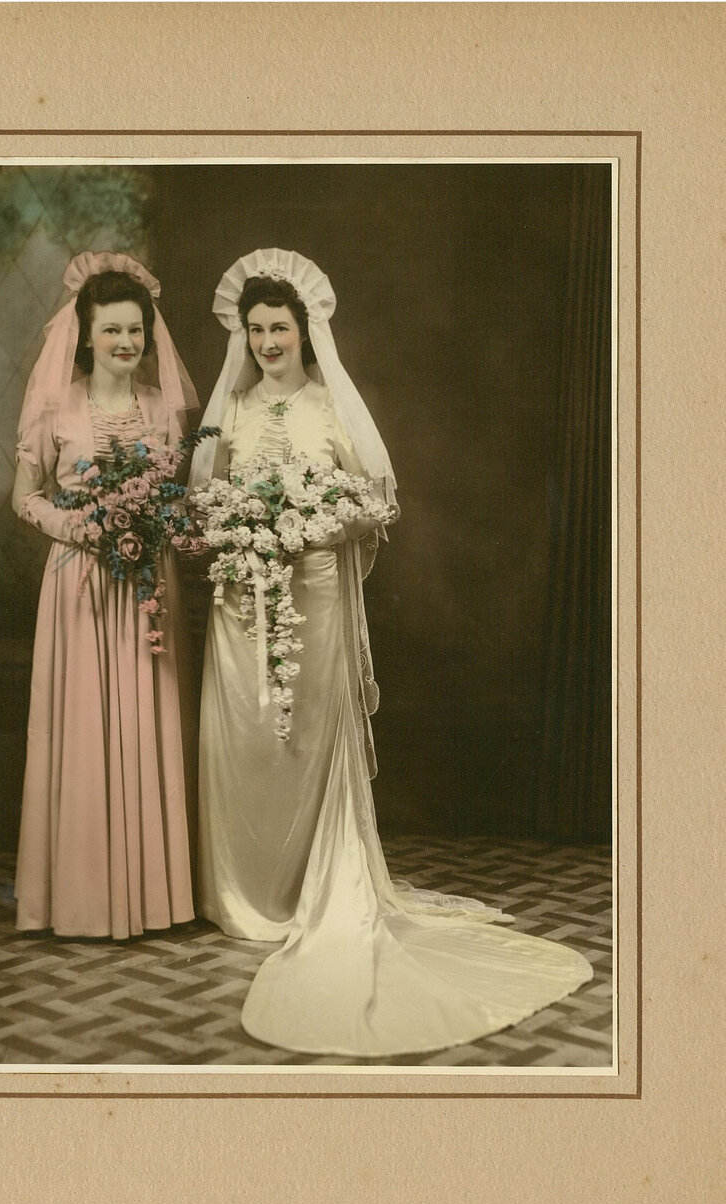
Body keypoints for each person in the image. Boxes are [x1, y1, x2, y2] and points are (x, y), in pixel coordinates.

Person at [189, 248, 593, 1056]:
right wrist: (237, 525)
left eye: (281, 328)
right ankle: (242, 890)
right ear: (243, 333)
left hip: (317, 591)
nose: (268, 342)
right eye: (256, 328)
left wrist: (320, 523)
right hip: (242, 597)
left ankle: (315, 885)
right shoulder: (226, 410)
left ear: (306, 332)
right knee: (240, 733)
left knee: (306, 735)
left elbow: (374, 495)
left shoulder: (329, 404)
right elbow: (202, 494)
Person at [12, 251, 198, 939]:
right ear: (84, 335)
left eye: (134, 331)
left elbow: (180, 499)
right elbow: (23, 499)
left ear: (148, 336)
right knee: (84, 727)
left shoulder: (162, 410)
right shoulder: (55, 407)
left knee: (146, 721)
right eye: (110, 330)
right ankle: (83, 898)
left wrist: (160, 521)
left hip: (148, 588)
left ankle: (153, 898)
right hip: (79, 590)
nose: (124, 342)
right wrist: (79, 526)